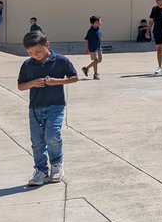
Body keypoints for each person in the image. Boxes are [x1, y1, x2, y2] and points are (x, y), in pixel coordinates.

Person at [18, 31, 79, 187]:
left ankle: (56, 164)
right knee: (37, 141)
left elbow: (74, 78)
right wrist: (32, 83)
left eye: (38, 51)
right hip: (35, 108)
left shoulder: (60, 60)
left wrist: (56, 82)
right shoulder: (27, 64)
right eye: (30, 53)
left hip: (56, 106)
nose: (35, 55)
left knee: (52, 135)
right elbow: (21, 86)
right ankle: (40, 170)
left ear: (47, 45)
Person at [82, 15, 103, 80]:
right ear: (94, 22)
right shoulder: (90, 31)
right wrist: (86, 49)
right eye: (99, 21)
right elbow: (86, 40)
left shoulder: (98, 29)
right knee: (96, 61)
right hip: (92, 48)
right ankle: (95, 74)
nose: (100, 22)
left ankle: (86, 68)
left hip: (98, 48)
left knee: (99, 60)